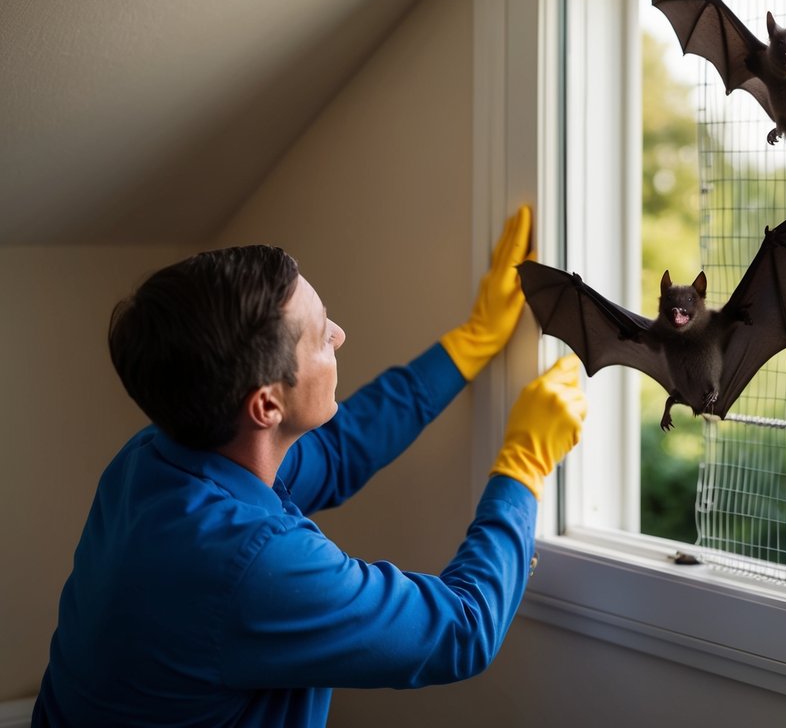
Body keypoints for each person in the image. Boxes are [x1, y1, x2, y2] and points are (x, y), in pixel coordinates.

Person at [32, 206, 586, 727]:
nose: (339, 335)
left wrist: (468, 345)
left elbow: (339, 452)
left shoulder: (153, 458)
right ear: (267, 405)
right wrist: (523, 466)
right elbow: (463, 630)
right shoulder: (252, 565)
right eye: (322, 334)